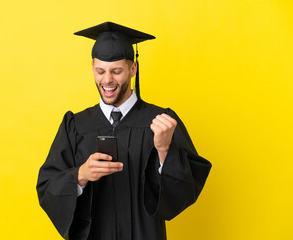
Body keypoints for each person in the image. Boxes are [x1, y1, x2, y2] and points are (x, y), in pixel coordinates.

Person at [36, 22, 212, 240]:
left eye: (116, 71)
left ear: (133, 69)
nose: (107, 80)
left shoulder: (161, 122)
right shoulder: (76, 126)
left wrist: (165, 150)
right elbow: (47, 187)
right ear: (92, 67)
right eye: (100, 71)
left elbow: (184, 193)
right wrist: (80, 176)